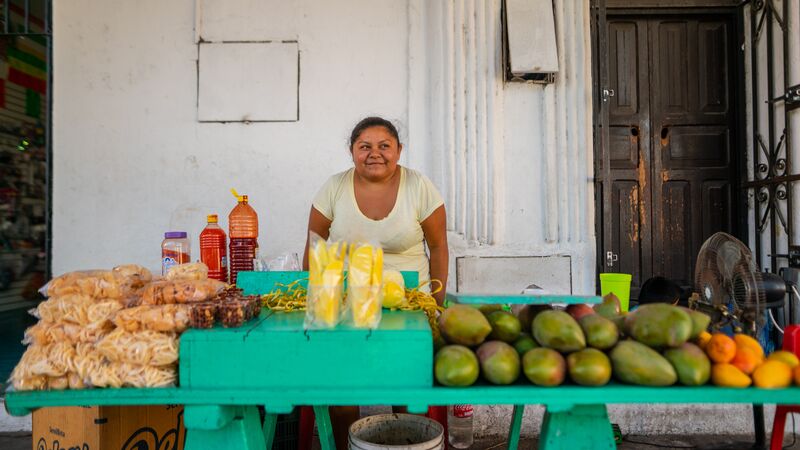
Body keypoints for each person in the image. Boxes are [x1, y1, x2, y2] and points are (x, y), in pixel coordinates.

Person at [302, 116, 449, 448]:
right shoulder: (334, 187)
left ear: (399, 150)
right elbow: (314, 246)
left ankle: (410, 441)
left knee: (407, 388)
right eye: (364, 146)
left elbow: (439, 247)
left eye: (385, 146)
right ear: (352, 151)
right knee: (341, 388)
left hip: (410, 305)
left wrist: (436, 306)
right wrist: (316, 301)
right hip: (347, 306)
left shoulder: (419, 186)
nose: (375, 154)